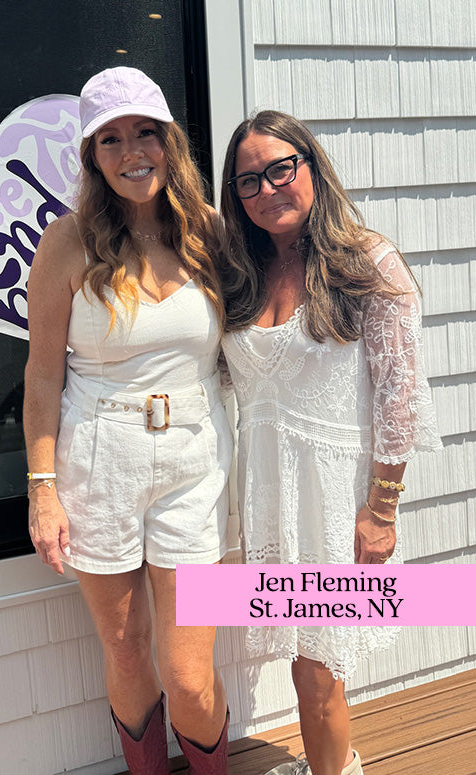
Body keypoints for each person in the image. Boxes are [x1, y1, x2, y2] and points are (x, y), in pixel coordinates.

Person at [219, 111, 442, 775]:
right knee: (304, 659)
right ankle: (337, 758)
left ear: (311, 166)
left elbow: (398, 397)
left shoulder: (368, 262)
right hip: (270, 497)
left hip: (335, 502)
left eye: (280, 168)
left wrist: (382, 509)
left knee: (318, 674)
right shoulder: (242, 274)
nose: (266, 189)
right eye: (248, 180)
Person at [23, 67, 233, 775]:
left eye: (145, 131)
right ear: (91, 156)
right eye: (110, 138)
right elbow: (44, 373)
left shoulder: (209, 234)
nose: (130, 150)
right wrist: (42, 486)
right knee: (123, 644)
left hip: (194, 460)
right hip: (98, 457)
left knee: (190, 673)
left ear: (170, 142)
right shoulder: (66, 242)